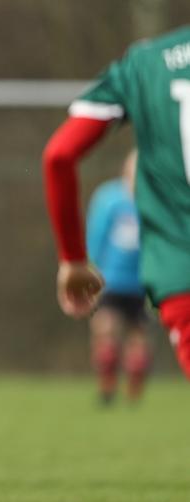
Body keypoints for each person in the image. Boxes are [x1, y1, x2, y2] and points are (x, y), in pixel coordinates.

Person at [42, 25, 190, 380]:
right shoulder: (112, 200)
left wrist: (73, 260)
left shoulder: (146, 63)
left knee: (115, 333)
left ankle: (116, 374)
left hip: (178, 272)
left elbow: (58, 156)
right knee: (128, 335)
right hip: (138, 283)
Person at [86, 150, 150, 404]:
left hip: (135, 281)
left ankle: (123, 382)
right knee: (113, 330)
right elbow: (96, 235)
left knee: (129, 334)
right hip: (116, 280)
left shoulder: (148, 200)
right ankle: (114, 380)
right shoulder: (111, 198)